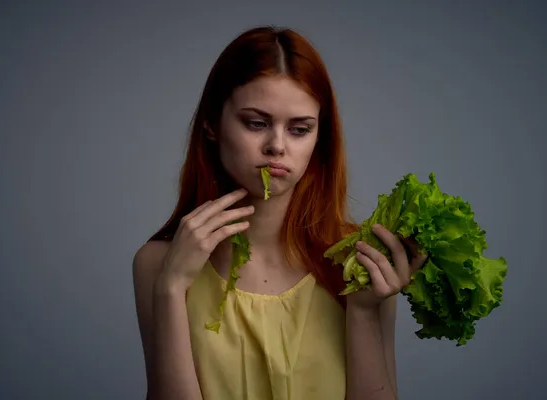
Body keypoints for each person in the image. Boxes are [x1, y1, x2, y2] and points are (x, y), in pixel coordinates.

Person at [132, 25, 427, 400]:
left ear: (319, 139)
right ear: (211, 125)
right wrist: (171, 290)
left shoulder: (359, 262)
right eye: (256, 123)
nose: (277, 146)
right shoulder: (157, 264)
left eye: (300, 129)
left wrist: (365, 312)